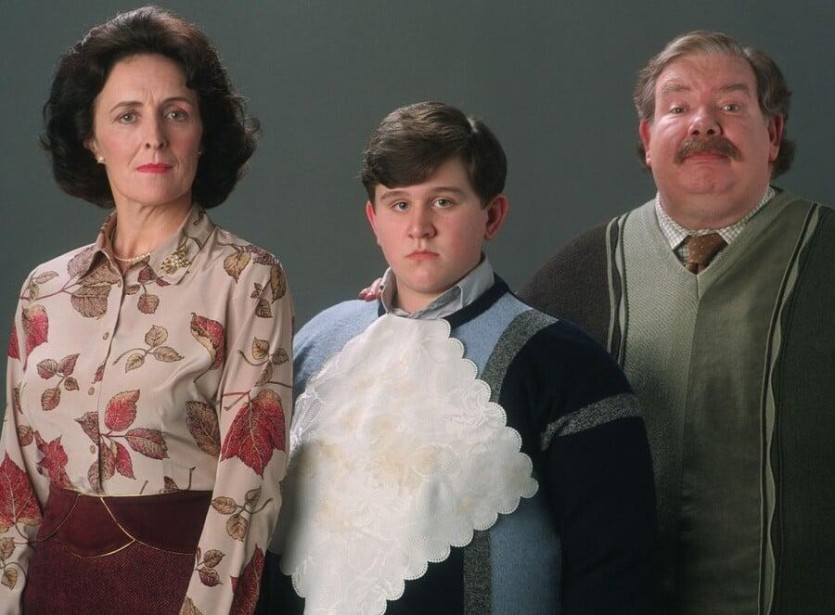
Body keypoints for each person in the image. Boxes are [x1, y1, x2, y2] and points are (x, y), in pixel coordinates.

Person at [258, 101, 656, 614]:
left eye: (443, 201)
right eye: (399, 204)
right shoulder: (317, 344)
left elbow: (614, 574)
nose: (419, 227)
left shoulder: (568, 368)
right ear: (373, 219)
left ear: (492, 215)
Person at [520, 31, 835, 613]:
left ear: (773, 134)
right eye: (678, 107)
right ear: (648, 139)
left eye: (731, 105)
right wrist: (405, 300)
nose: (704, 124)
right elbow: (481, 403)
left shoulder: (827, 255)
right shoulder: (574, 277)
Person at [1, 6, 293, 613]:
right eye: (127, 115)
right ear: (91, 139)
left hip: (176, 592)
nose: (153, 137)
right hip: (51, 593)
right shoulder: (43, 290)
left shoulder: (246, 280)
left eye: (176, 113)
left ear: (202, 134)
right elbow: (15, 483)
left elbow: (247, 491)